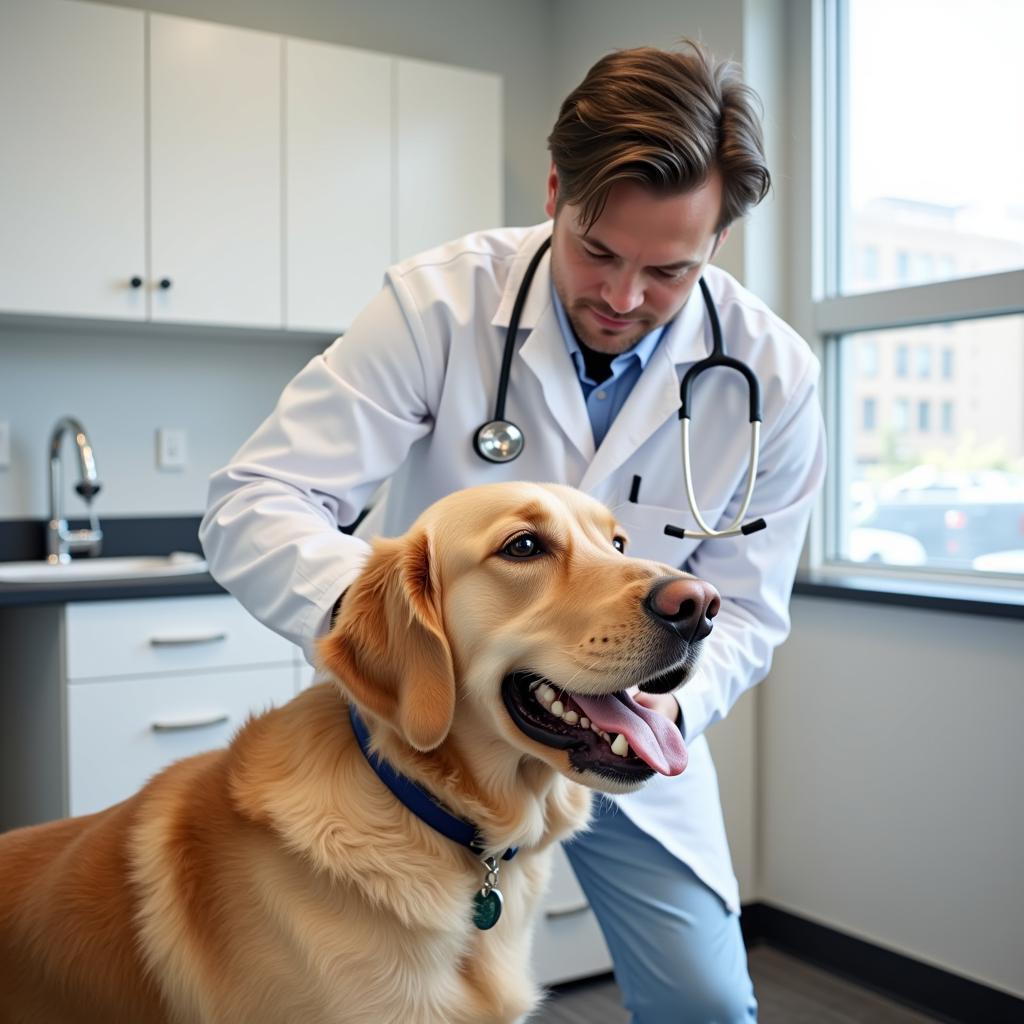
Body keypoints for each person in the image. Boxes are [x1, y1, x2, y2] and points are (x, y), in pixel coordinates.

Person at [200, 39, 825, 1024]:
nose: (622, 298)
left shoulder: (770, 376)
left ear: (718, 243)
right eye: (597, 251)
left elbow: (745, 605)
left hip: (631, 729)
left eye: (668, 270)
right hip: (435, 741)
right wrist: (403, 648)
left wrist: (648, 708)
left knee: (706, 1001)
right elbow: (257, 498)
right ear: (552, 191)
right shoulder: (439, 303)